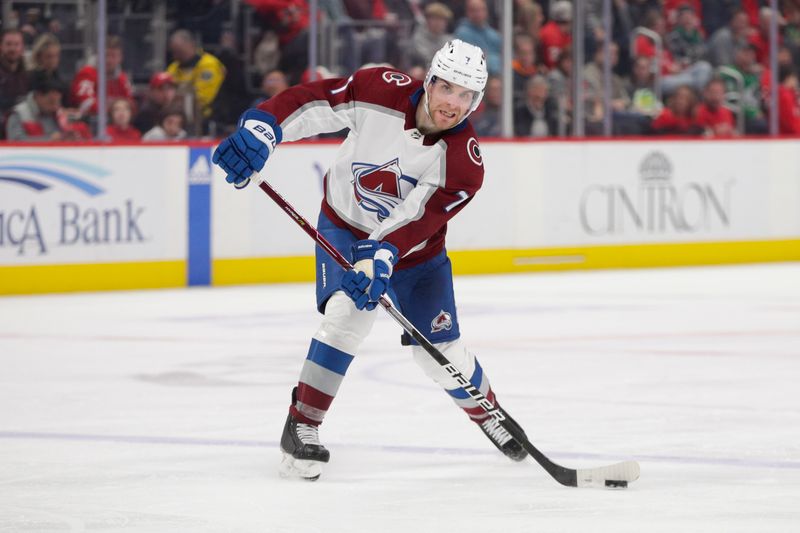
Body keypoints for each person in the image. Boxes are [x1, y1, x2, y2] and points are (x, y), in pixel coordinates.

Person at [212, 39, 528, 481]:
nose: (453, 103)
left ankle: (487, 412)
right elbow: (314, 103)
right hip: (343, 224)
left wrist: (379, 258)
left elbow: (414, 219)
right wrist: (264, 129)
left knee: (439, 350)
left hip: (416, 253)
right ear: (431, 81)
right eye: (448, 88)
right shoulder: (378, 88)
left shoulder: (465, 165)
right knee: (348, 314)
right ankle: (302, 424)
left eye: (466, 96)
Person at [5, 73, 88, 141]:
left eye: (58, 102)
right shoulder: (18, 114)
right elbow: (15, 143)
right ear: (38, 96)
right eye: (51, 101)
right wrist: (50, 140)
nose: (55, 107)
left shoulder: (56, 115)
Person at [166, 29, 226, 125]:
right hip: (177, 116)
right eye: (174, 52)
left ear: (190, 45)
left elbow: (203, 98)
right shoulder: (174, 67)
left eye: (179, 51)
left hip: (206, 117)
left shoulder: (209, 65)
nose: (175, 56)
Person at [69, 35, 133, 116]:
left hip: (116, 124)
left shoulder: (122, 78)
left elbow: (130, 105)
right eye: (106, 55)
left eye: (113, 56)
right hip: (90, 123)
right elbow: (85, 104)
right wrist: (115, 112)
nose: (109, 60)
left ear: (120, 58)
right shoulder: (86, 73)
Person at [454, 0, 502, 75]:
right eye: (474, 10)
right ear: (467, 12)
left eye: (481, 10)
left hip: (495, 76)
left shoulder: (494, 35)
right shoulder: (462, 34)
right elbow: (473, 61)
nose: (478, 14)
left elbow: (504, 60)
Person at [409, 2, 454, 68]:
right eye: (434, 18)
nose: (438, 23)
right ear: (427, 20)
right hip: (425, 69)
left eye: (441, 19)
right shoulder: (419, 38)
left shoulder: (450, 40)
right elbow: (426, 59)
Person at [0, 29, 29, 122]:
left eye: (16, 44)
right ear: (1, 46)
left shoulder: (28, 74)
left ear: (22, 48)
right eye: (8, 44)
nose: (12, 48)